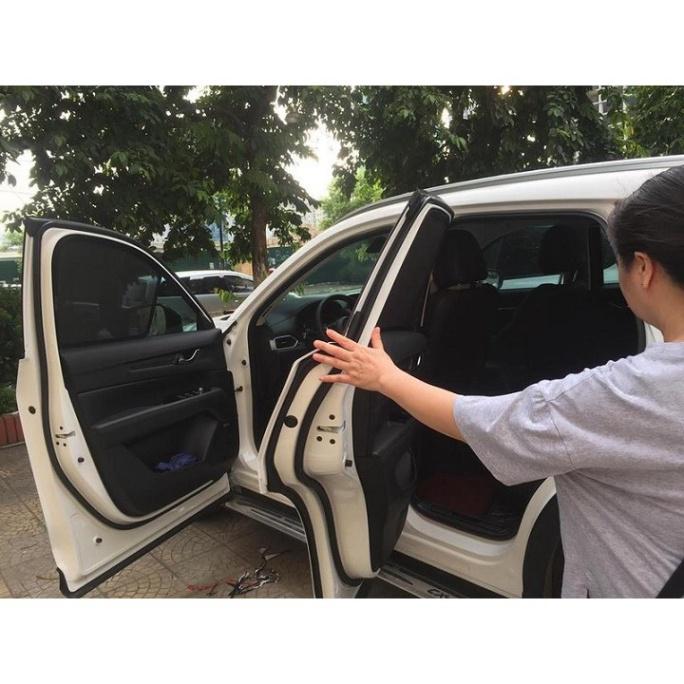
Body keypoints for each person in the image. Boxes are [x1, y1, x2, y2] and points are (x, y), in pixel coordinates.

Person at [312, 165, 684, 598]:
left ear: (643, 268)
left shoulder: (628, 393)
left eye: (616, 261)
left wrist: (385, 376)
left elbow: (485, 420)